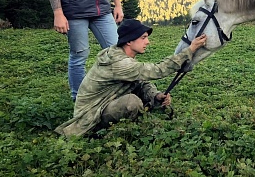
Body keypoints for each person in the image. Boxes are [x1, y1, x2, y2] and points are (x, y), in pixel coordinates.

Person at [55, 19, 207, 137]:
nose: (148, 42)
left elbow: (140, 82)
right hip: (90, 117)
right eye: (143, 37)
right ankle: (120, 133)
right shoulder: (120, 63)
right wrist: (190, 49)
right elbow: (158, 70)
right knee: (131, 103)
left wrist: (156, 95)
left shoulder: (121, 57)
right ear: (129, 41)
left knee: (136, 96)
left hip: (104, 105)